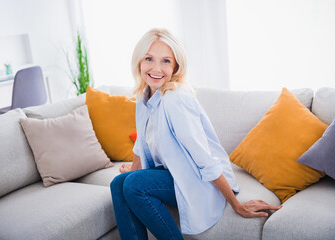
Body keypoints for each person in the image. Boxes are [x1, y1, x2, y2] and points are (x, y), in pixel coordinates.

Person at [110, 28, 281, 240]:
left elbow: (204, 158)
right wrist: (134, 171)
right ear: (139, 62)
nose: (156, 68)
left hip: (198, 178)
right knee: (119, 183)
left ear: (175, 66)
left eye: (165, 61)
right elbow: (141, 145)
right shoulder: (143, 97)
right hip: (172, 172)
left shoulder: (175, 100)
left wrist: (236, 204)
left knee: (134, 185)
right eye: (149, 59)